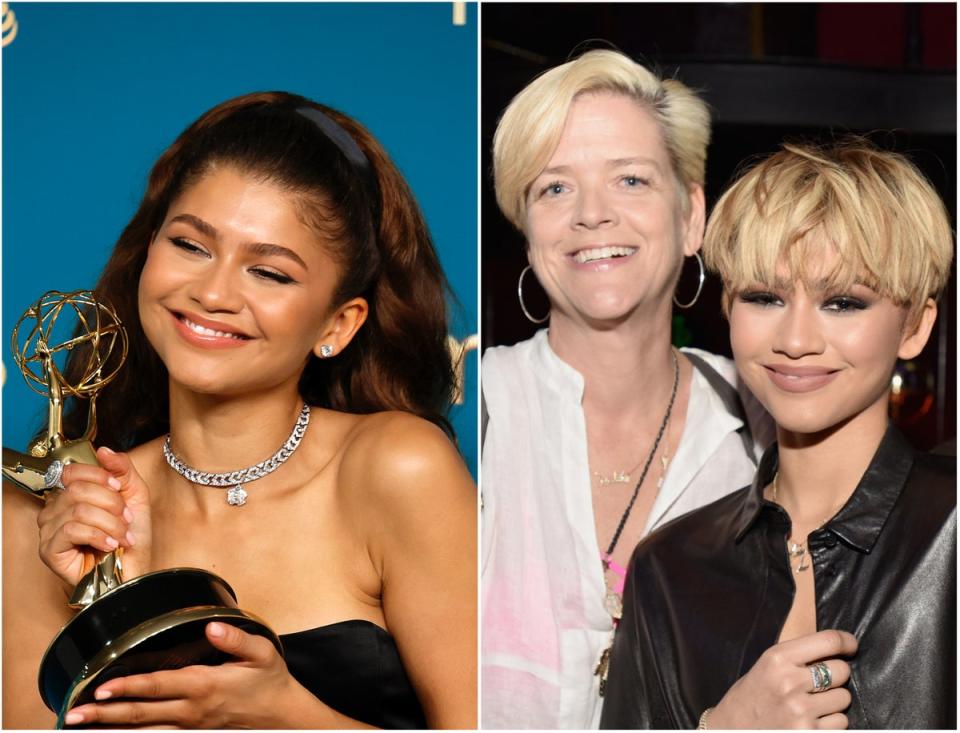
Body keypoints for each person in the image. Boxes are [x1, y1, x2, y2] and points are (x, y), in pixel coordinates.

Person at [2, 92, 477, 729]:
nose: (213, 292)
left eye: (270, 273)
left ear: (337, 323)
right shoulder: (47, 510)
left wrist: (284, 714)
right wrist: (109, 605)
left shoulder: (397, 469)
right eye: (191, 246)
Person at [600, 140, 955, 729]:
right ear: (728, 308)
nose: (795, 338)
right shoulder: (670, 566)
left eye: (843, 302)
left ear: (915, 326)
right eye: (764, 296)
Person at [481, 49, 773, 729]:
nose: (592, 215)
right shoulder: (468, 411)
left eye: (631, 180)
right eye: (554, 187)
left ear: (691, 214)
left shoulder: (768, 428)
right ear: (528, 233)